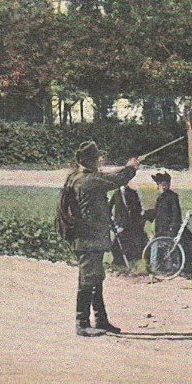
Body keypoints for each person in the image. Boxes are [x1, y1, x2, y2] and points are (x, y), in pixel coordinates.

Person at [57, 141, 139, 337]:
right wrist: (130, 168)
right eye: (97, 158)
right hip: (87, 239)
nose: (100, 160)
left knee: (96, 278)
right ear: (88, 161)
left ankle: (101, 320)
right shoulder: (88, 181)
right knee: (87, 280)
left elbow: (107, 176)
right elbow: (114, 180)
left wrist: (126, 167)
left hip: (88, 238)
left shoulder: (78, 177)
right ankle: (82, 323)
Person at [149, 171, 192, 273]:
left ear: (168, 185)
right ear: (157, 186)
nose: (163, 187)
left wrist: (173, 226)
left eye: (165, 185)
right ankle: (160, 268)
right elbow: (155, 212)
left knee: (174, 248)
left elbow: (176, 212)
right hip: (161, 228)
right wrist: (144, 216)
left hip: (170, 228)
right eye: (161, 185)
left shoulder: (172, 196)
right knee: (161, 247)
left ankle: (169, 268)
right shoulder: (160, 198)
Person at [109, 183, 148, 267]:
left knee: (129, 243)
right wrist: (111, 218)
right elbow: (109, 207)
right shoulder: (116, 193)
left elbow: (138, 208)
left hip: (130, 223)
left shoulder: (133, 193)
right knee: (116, 242)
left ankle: (130, 261)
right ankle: (118, 261)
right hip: (119, 222)